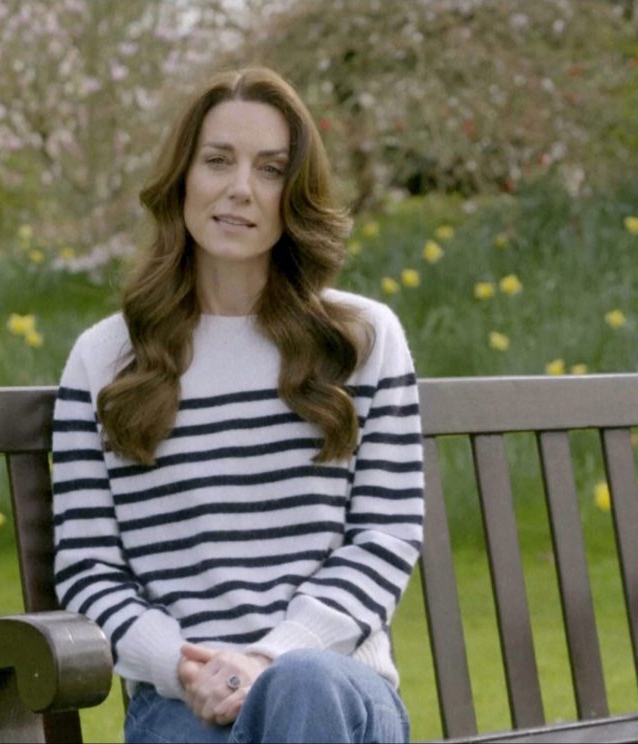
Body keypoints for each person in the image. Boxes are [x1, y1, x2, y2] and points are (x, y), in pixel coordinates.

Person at [52, 66, 424, 743]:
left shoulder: (360, 342)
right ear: (182, 179)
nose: (240, 190)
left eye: (271, 169)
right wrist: (182, 665)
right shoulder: (106, 360)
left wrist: (269, 656)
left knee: (301, 686)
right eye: (218, 161)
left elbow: (386, 535)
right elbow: (88, 567)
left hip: (337, 690)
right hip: (179, 700)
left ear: (296, 193)